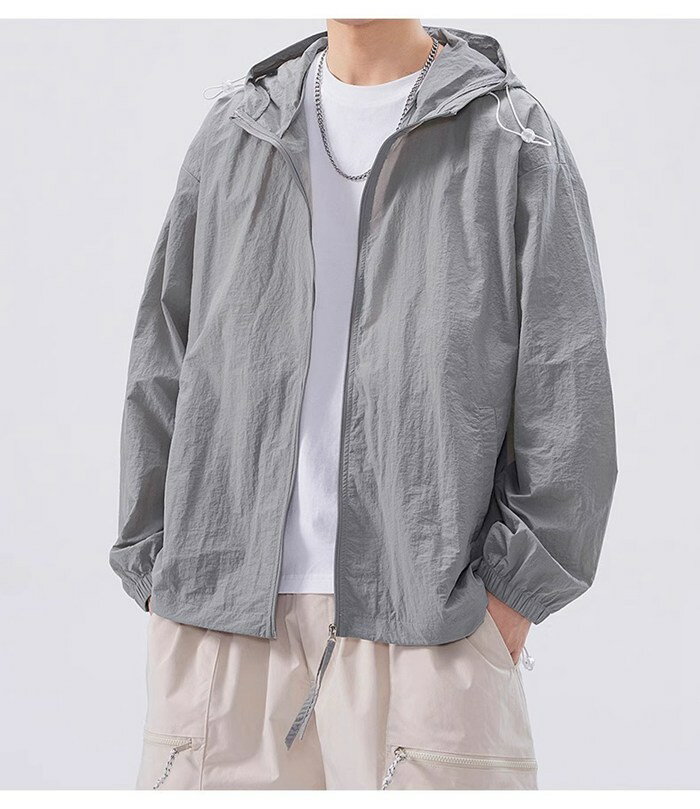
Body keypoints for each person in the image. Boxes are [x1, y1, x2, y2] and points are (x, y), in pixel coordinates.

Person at [110, 19, 617, 790]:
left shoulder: (510, 135)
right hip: (219, 626)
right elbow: (162, 361)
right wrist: (157, 570)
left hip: (430, 629)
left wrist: (511, 597)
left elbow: (567, 381)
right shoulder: (235, 132)